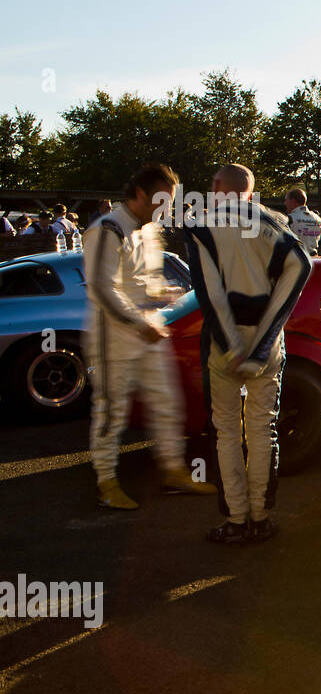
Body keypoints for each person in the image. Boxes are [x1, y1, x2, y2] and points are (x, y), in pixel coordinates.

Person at [183, 164, 310, 544]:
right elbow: (302, 265)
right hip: (268, 345)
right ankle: (261, 517)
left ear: (218, 187)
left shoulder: (201, 224)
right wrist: (266, 336)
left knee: (226, 433)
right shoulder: (272, 221)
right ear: (249, 189)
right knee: (262, 430)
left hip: (224, 345)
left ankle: (236, 520)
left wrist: (232, 345)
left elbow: (209, 291)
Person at [83, 163, 216, 509]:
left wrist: (165, 294)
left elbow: (144, 282)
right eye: (160, 200)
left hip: (149, 331)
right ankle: (106, 482)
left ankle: (172, 470)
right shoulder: (107, 229)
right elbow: (101, 285)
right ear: (140, 194)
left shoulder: (149, 231)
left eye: (168, 201)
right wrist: (140, 321)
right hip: (114, 336)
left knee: (166, 403)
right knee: (111, 412)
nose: (165, 209)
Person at [284, 188, 321, 256]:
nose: (285, 203)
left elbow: (281, 242)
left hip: (295, 259)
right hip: (313, 259)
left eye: (286, 200)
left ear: (293, 201)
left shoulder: (289, 218)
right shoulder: (319, 218)